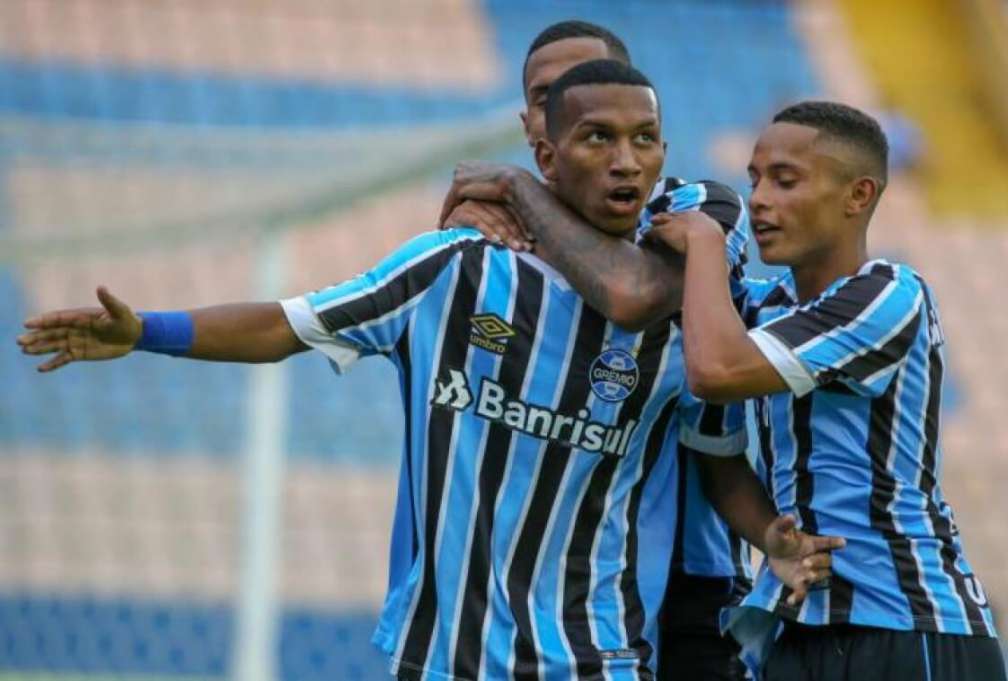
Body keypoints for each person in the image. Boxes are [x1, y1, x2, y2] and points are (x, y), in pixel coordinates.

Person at [17, 62, 841, 681]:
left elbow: (717, 449)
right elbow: (286, 323)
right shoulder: (454, 269)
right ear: (546, 155)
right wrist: (147, 331)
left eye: (644, 139)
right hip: (441, 654)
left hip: (595, 655)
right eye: (599, 138)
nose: (627, 160)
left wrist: (770, 535)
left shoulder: (682, 308)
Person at [637, 101, 1007, 680]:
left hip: (911, 629)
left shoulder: (888, 294)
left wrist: (707, 246)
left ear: (857, 196)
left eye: (785, 181)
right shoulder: (761, 310)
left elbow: (714, 371)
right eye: (755, 179)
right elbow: (719, 458)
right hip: (798, 626)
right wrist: (769, 536)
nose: (758, 198)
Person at [444, 21, 759, 680]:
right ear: (534, 123)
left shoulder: (698, 206)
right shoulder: (509, 234)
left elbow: (631, 293)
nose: (571, 95)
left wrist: (513, 188)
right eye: (547, 93)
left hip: (688, 587)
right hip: (538, 593)